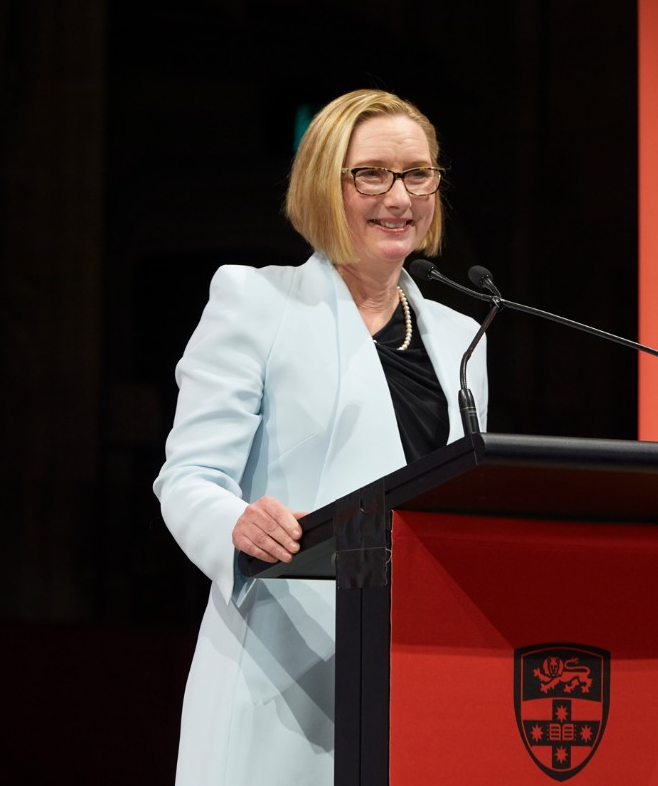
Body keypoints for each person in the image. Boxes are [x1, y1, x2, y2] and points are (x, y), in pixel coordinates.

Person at [153, 89, 488, 785]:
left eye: (417, 174)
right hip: (287, 662)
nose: (399, 196)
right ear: (322, 186)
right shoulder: (256, 301)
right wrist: (237, 525)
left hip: (425, 666)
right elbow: (187, 477)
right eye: (372, 173)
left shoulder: (462, 336)